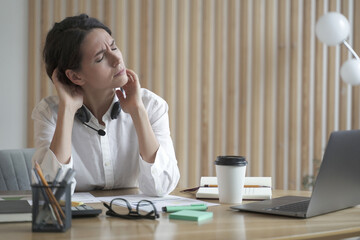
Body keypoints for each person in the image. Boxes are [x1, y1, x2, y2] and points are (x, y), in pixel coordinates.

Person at [31, 14, 180, 196]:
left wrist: (137, 111)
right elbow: (52, 194)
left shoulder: (151, 106)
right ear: (75, 76)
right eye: (101, 58)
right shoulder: (49, 113)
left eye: (114, 47)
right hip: (79, 224)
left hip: (135, 220)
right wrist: (68, 111)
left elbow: (162, 187)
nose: (117, 59)